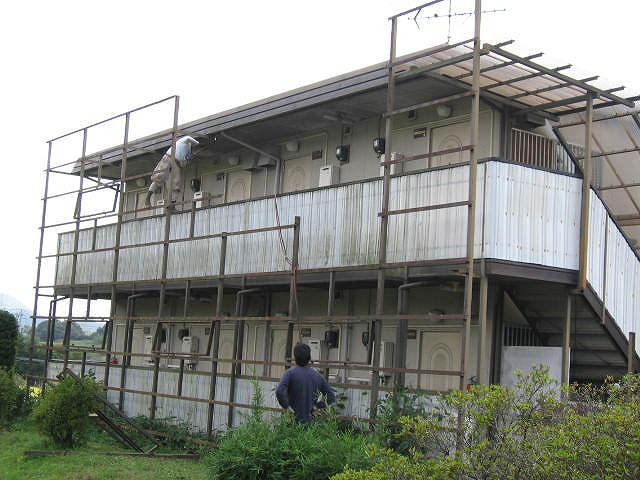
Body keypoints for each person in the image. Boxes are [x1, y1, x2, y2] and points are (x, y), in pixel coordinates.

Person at [276, 342, 335, 423]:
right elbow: (331, 397)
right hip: (310, 422)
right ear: (309, 357)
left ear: (295, 357)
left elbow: (279, 392)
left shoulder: (289, 373)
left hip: (292, 420)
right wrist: (316, 406)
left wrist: (287, 407)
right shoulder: (318, 376)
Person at [145, 136, 199, 208]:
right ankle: (147, 198)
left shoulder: (188, 151)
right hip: (169, 158)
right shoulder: (184, 142)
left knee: (176, 185)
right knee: (159, 177)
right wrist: (197, 143)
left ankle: (172, 205)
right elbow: (188, 138)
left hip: (176, 164)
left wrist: (185, 161)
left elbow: (183, 163)